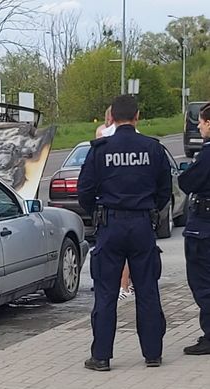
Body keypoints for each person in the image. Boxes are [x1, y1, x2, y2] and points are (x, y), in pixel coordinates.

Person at [78, 95, 171, 371]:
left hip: (111, 224)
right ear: (137, 116)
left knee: (106, 292)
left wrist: (97, 212)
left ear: (112, 118)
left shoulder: (100, 149)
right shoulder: (152, 148)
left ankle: (102, 357)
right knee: (147, 290)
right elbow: (165, 190)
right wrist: (150, 211)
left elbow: (84, 191)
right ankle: (153, 354)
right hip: (143, 225)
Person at [178, 102, 210, 355]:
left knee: (203, 282)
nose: (198, 126)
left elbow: (188, 181)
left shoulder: (207, 154)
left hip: (204, 226)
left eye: (201, 122)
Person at [96, 106, 134, 300]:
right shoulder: (147, 145)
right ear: (136, 117)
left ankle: (119, 287)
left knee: (111, 257)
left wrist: (98, 208)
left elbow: (86, 187)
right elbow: (161, 187)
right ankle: (124, 286)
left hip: (110, 215)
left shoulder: (101, 144)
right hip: (138, 216)